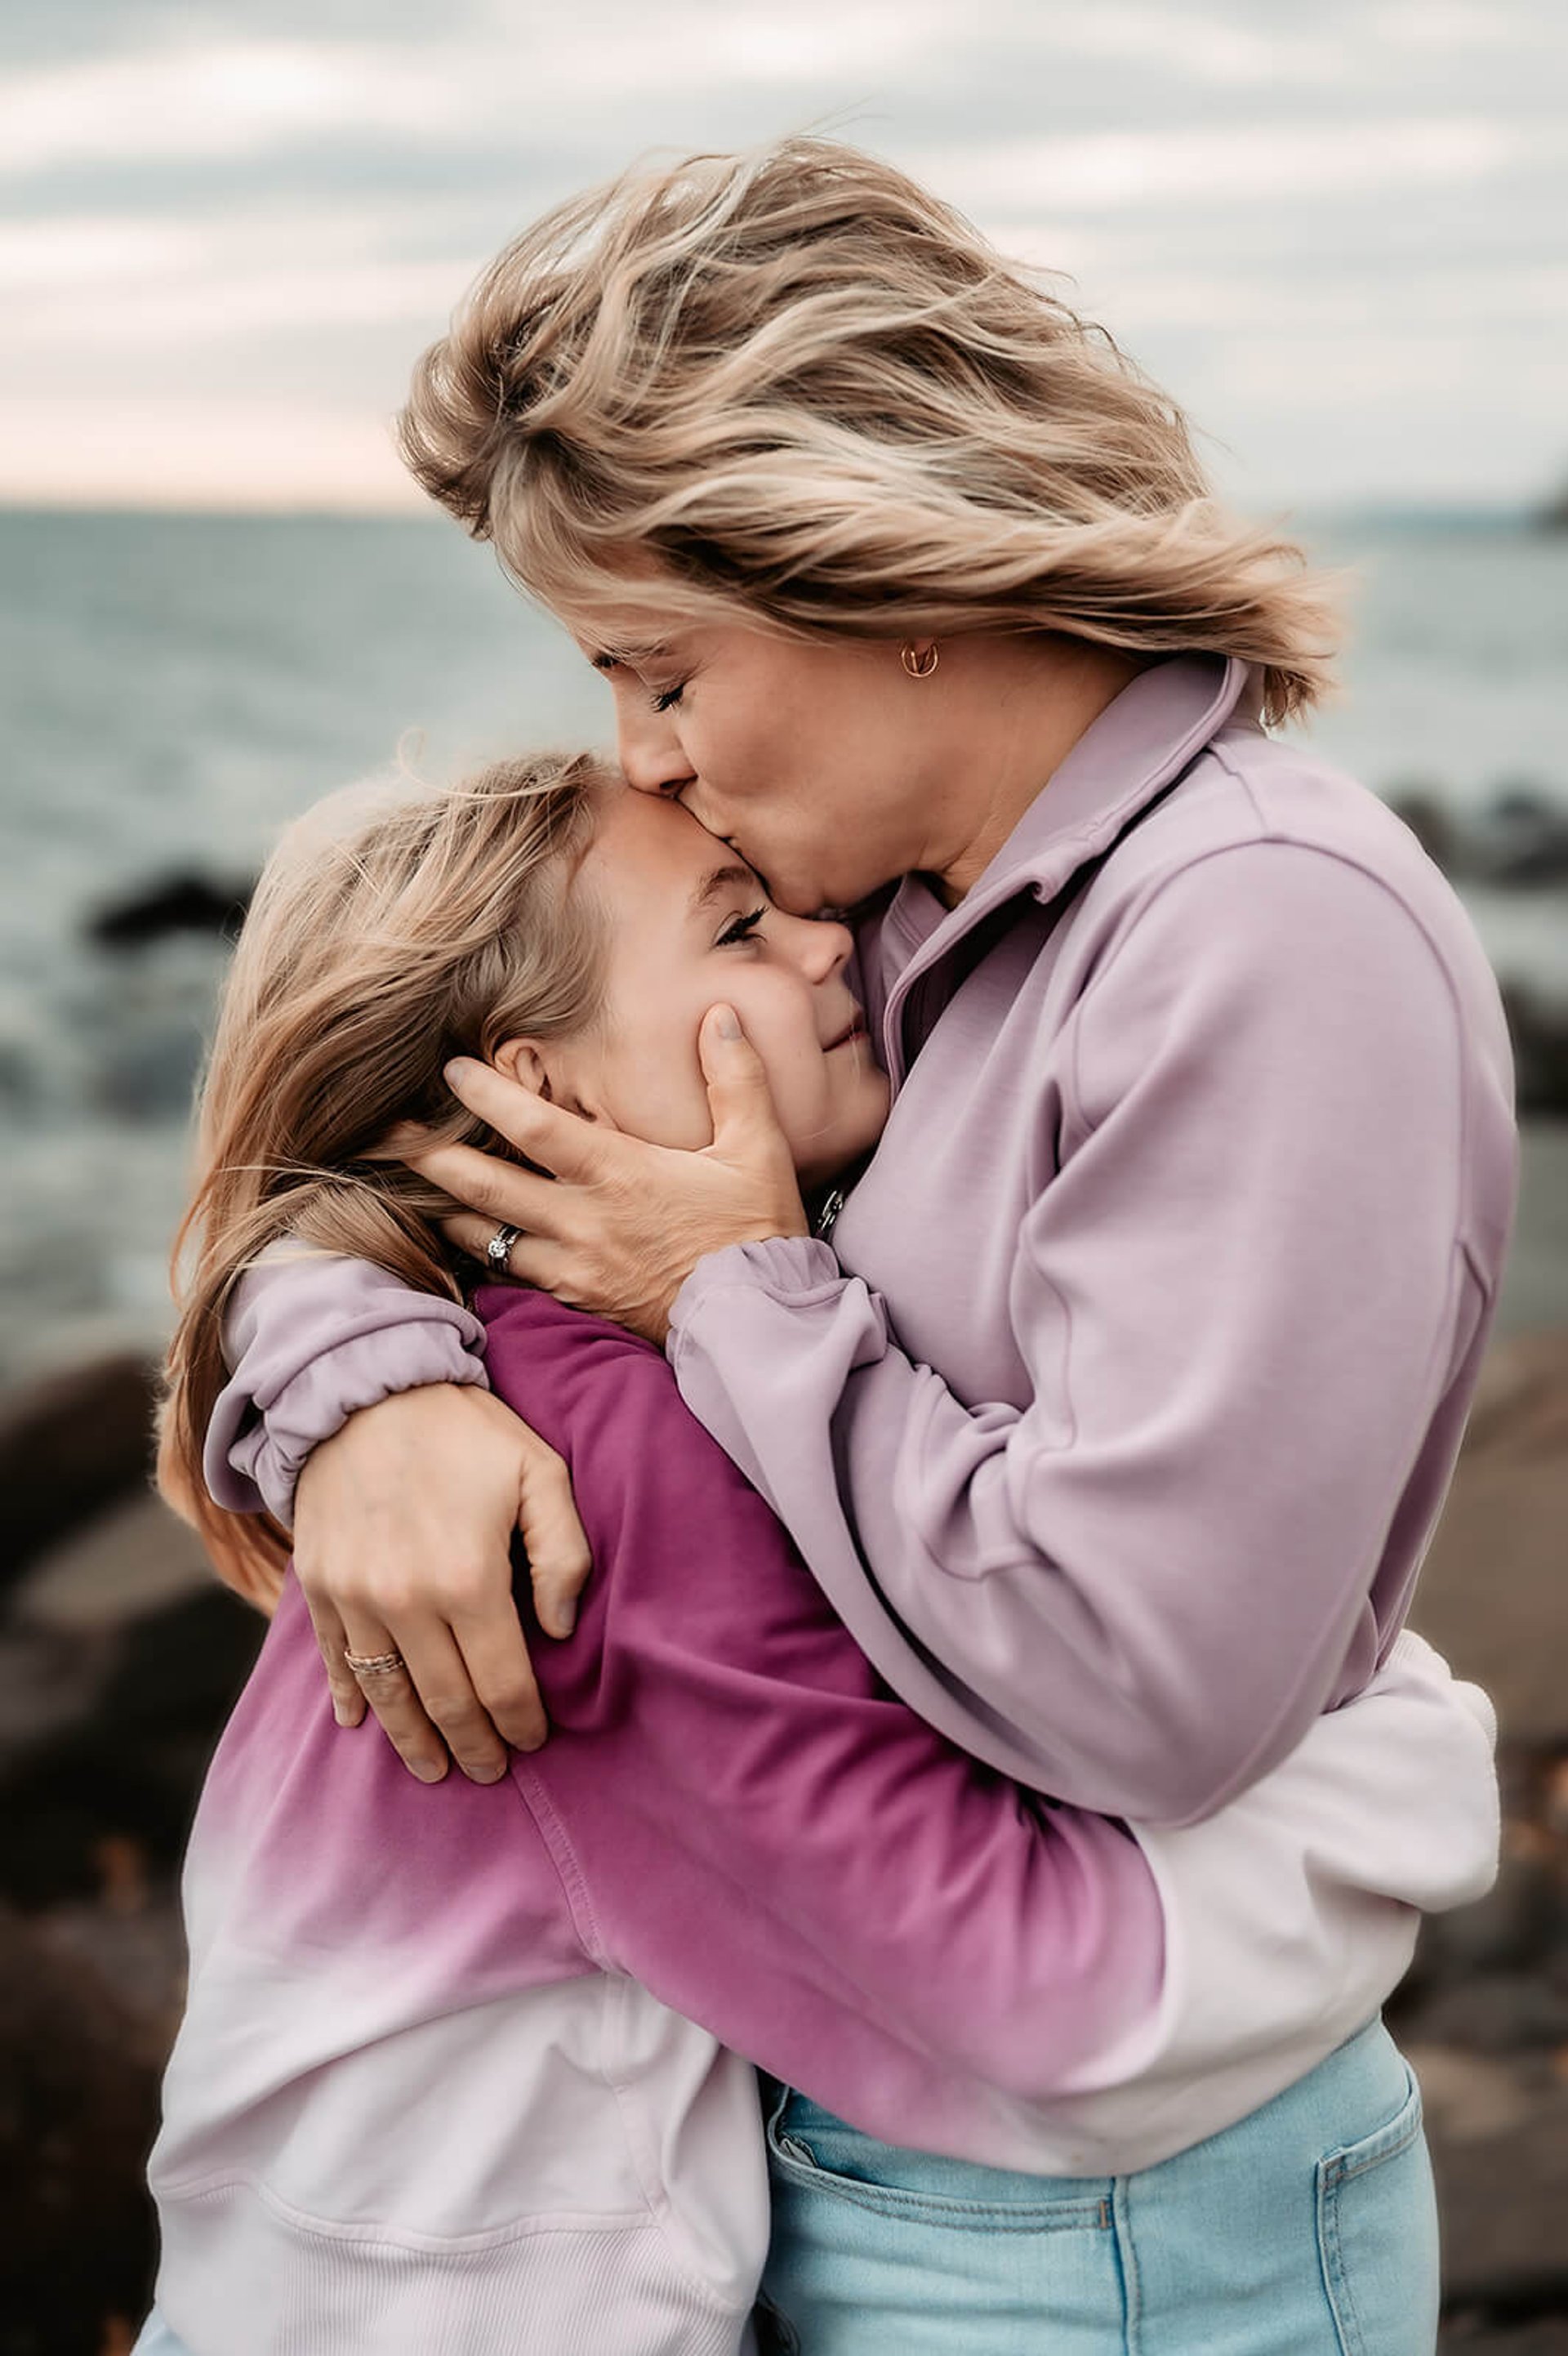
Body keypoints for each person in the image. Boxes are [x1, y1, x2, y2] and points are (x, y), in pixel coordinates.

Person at [201, 139, 1517, 2347]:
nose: (639, 753)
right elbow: (404, 1139)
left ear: (869, 567)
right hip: (849, 2133)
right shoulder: (905, 929)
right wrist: (367, 1391)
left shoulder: (1261, 936)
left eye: (661, 666)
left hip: (1114, 2241)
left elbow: (1142, 1691)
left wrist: (733, 1288)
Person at [141, 756, 1492, 2356]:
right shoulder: (592, 1484)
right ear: (540, 1093)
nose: (827, 946)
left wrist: (329, 1327)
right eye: (735, 929)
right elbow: (1033, 2009)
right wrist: (1399, 1761)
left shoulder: (533, 1371)